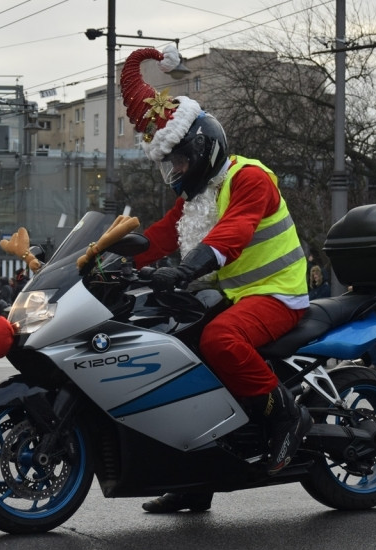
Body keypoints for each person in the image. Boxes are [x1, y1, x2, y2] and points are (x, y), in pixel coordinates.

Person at [122, 45, 310, 513]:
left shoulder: (250, 179)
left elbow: (233, 233)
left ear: (201, 147)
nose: (175, 172)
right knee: (176, 350)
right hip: (232, 294)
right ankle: (196, 475)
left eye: (179, 161)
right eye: (170, 165)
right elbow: (160, 236)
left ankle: (286, 414)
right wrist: (104, 257)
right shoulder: (198, 196)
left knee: (221, 340)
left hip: (276, 295)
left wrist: (185, 270)